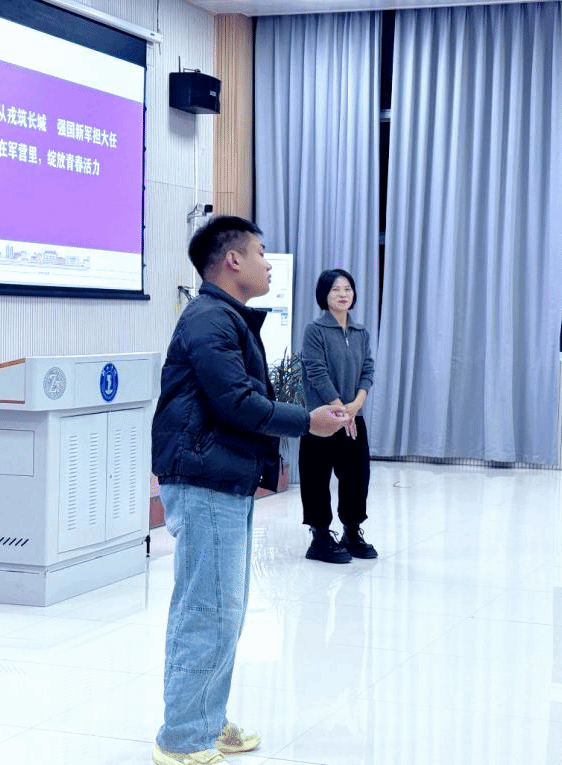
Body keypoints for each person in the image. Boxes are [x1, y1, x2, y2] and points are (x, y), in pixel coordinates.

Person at [151, 216, 350, 765]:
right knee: (208, 610)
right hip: (205, 478)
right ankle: (183, 739)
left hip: (221, 476)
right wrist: (307, 421)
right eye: (261, 253)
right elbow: (237, 401)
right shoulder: (209, 320)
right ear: (232, 259)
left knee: (222, 611)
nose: (268, 264)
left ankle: (205, 721)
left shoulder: (223, 317)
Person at [299, 268, 377, 564]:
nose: (343, 294)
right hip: (321, 418)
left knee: (357, 475)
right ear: (324, 295)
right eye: (335, 289)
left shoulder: (360, 333)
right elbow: (316, 372)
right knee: (317, 476)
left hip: (353, 416)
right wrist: (340, 409)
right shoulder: (315, 331)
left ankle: (352, 532)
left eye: (347, 288)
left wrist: (356, 405)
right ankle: (319, 537)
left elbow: (367, 369)